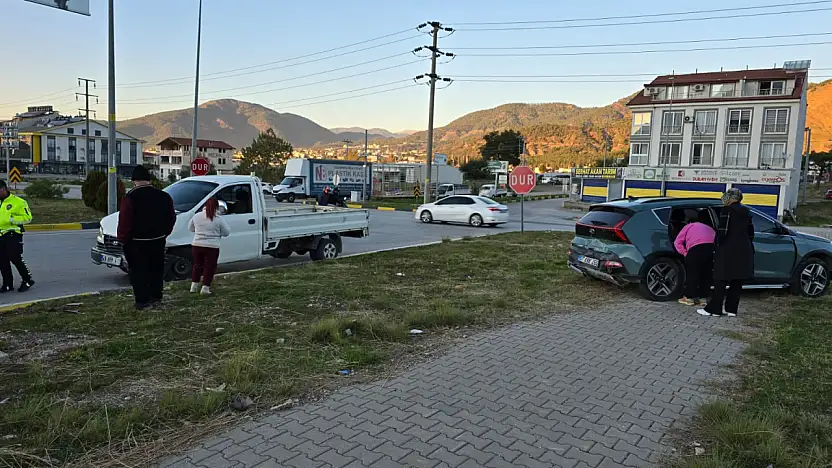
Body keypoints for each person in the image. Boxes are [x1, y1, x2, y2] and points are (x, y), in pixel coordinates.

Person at [118, 166, 176, 310]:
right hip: (158, 240)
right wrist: (164, 233)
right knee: (156, 270)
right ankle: (156, 297)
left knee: (138, 272)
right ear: (150, 180)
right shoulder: (164, 196)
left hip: (136, 242)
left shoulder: (130, 197)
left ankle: (142, 301)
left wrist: (123, 239)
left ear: (134, 181)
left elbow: (125, 221)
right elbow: (171, 218)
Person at [698, 188, 754, 317]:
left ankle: (714, 309)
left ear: (730, 198)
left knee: (720, 279)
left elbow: (723, 231)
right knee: (737, 281)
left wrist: (718, 246)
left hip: (727, 249)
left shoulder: (727, 211)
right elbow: (751, 233)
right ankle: (731, 310)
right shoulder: (747, 211)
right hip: (744, 249)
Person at [188, 197, 230, 295]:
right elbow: (226, 232)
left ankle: (194, 287)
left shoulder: (196, 216)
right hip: (212, 247)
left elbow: (190, 228)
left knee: (197, 265)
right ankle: (205, 288)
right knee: (209, 267)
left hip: (197, 245)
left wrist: (199, 232)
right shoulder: (218, 219)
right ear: (217, 207)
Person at [674, 210, 716, 307]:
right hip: (711, 249)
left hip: (696, 249)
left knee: (693, 273)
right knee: (706, 274)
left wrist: (685, 253)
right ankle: (703, 298)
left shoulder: (688, 226)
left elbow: (677, 242)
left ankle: (689, 298)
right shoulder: (710, 228)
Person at [0, 180, 34, 292]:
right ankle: (7, 284)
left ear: (4, 189)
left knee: (15, 259)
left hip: (12, 233)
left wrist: (11, 219)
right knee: (2, 261)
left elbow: (28, 218)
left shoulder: (19, 202)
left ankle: (27, 280)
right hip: (0, 234)